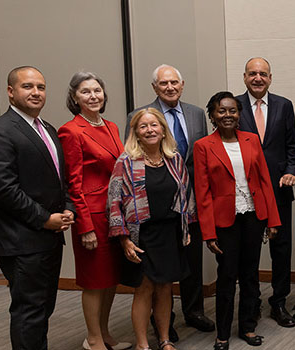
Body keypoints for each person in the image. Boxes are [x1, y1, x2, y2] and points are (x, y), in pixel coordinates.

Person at [0, 66, 76, 350]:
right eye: (28, 86)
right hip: (20, 238)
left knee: (42, 308)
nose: (36, 92)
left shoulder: (47, 128)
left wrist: (68, 206)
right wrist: (45, 218)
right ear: (11, 91)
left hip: (47, 237)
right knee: (28, 312)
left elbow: (60, 179)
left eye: (41, 87)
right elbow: (3, 190)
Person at [126, 64, 213, 339]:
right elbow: (131, 164)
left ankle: (194, 310)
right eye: (163, 83)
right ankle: (164, 322)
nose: (170, 87)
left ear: (182, 84)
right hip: (153, 201)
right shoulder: (140, 115)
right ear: (155, 87)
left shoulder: (197, 114)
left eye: (174, 82)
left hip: (189, 199)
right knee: (156, 274)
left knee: (191, 259)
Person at [195, 91, 281, 350]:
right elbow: (203, 193)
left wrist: (273, 220)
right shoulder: (203, 146)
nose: (228, 115)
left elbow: (265, 181)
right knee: (226, 275)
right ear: (212, 115)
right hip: (225, 221)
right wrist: (208, 233)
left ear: (239, 114)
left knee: (250, 274)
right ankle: (222, 333)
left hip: (253, 216)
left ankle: (247, 326)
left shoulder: (252, 140)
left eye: (232, 110)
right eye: (222, 111)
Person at [109, 108, 196, 350]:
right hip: (141, 235)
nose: (150, 130)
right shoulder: (125, 161)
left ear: (162, 129)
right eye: (143, 126)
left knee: (166, 287)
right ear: (135, 132)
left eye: (154, 125)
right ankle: (142, 343)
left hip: (170, 233)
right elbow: (114, 201)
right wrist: (124, 239)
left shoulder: (174, 158)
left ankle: (165, 338)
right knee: (144, 288)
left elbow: (185, 194)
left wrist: (185, 229)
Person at [57, 72, 130, 350]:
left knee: (111, 278)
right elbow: (73, 184)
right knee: (94, 280)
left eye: (97, 90)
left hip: (114, 214)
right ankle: (93, 338)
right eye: (85, 92)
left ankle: (106, 333)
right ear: (75, 98)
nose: (93, 96)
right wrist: (84, 226)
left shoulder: (111, 126)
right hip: (92, 217)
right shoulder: (71, 130)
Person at [236, 57, 295, 327]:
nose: (258, 78)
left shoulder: (284, 105)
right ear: (245, 77)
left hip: (279, 188)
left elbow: (292, 147)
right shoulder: (233, 106)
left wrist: (292, 171)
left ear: (270, 77)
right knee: (247, 250)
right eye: (253, 74)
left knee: (281, 248)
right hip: (245, 192)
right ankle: (251, 303)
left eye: (263, 74)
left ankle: (279, 302)